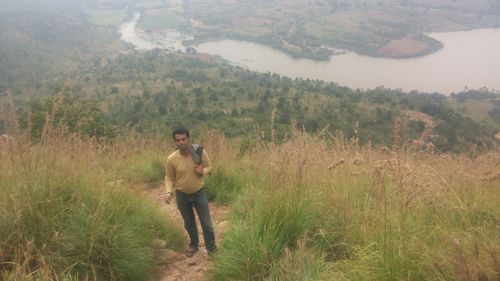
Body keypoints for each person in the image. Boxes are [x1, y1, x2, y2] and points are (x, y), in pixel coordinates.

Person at [164, 127, 217, 258]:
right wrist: (168, 192)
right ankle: (194, 245)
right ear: (174, 142)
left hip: (199, 193)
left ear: (188, 139)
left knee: (207, 224)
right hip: (181, 195)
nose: (181, 142)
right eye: (178, 140)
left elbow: (210, 167)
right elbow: (169, 177)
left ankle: (212, 250)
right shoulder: (171, 159)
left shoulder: (199, 152)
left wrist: (202, 171)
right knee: (189, 223)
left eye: (183, 139)